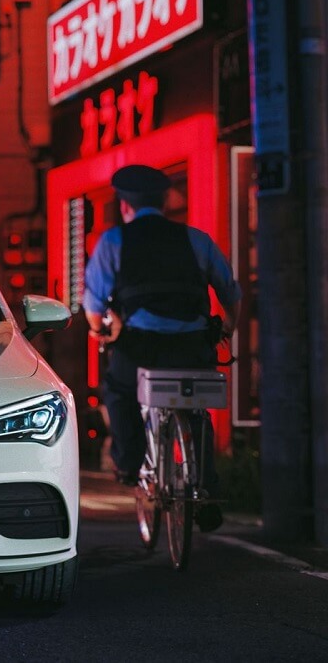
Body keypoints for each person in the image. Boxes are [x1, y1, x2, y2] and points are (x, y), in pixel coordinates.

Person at [84, 164, 241, 533]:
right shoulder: (196, 240)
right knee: (196, 409)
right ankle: (205, 489)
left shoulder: (113, 241)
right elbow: (230, 290)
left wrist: (100, 331)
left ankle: (128, 463)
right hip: (192, 347)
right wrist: (228, 327)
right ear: (165, 202)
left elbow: (93, 303)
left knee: (118, 390)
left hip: (142, 348)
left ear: (125, 205)